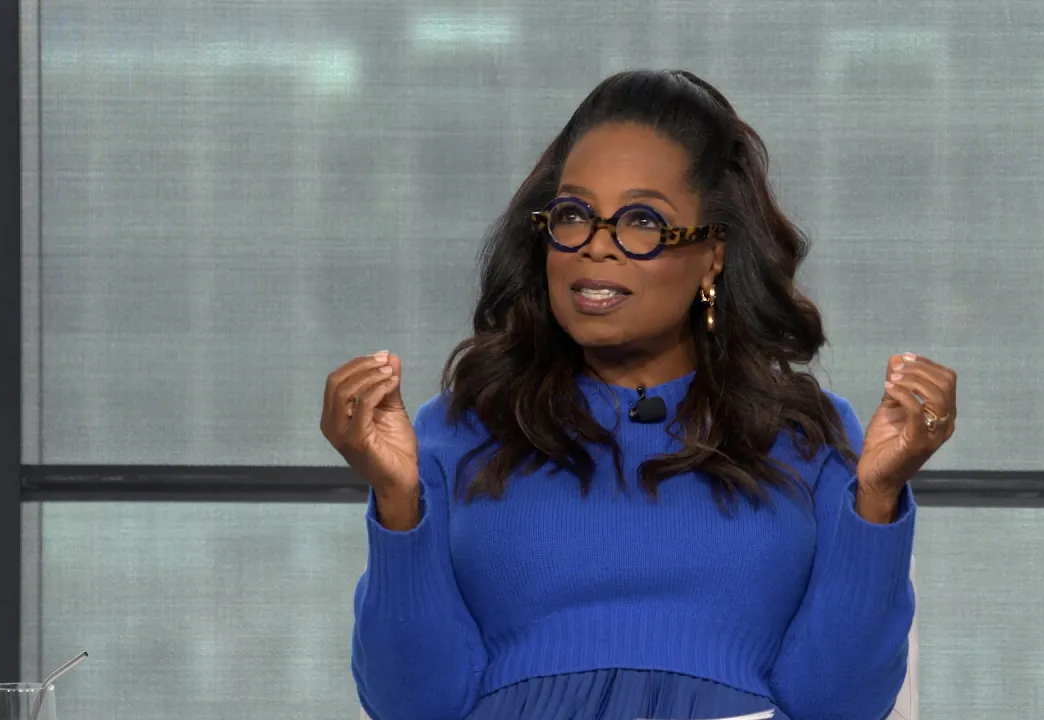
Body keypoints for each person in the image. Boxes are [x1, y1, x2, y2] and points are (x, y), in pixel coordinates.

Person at [321, 69, 957, 720]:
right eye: (573, 215)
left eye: (643, 221)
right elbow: (415, 705)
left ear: (712, 254)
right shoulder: (460, 428)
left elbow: (838, 704)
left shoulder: (806, 436)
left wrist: (878, 496)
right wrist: (397, 503)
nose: (596, 248)